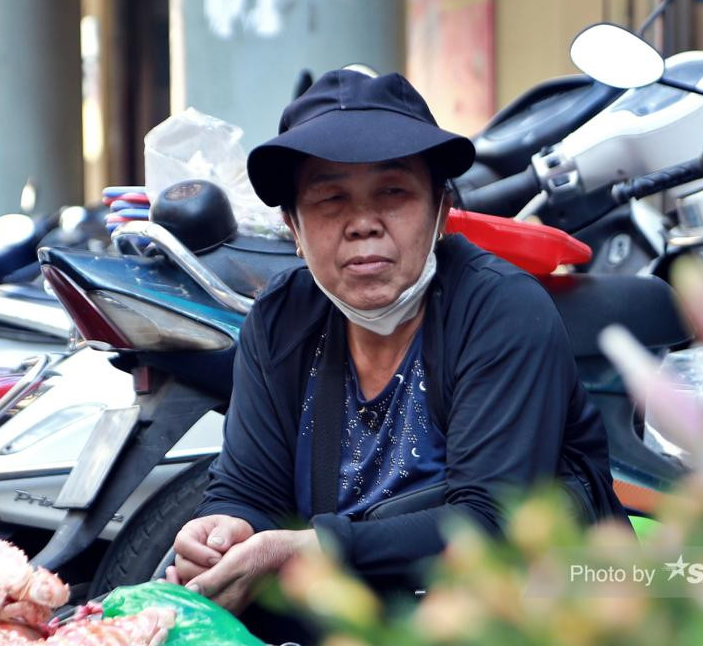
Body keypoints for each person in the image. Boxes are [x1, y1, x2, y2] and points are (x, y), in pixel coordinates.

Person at [164, 69, 626, 611]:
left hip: (515, 633)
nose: (363, 222)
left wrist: (308, 550)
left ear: (440, 211)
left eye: (393, 192)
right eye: (330, 199)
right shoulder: (280, 319)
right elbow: (251, 490)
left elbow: (491, 522)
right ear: (293, 226)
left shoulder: (501, 310)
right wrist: (225, 529)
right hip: (353, 632)